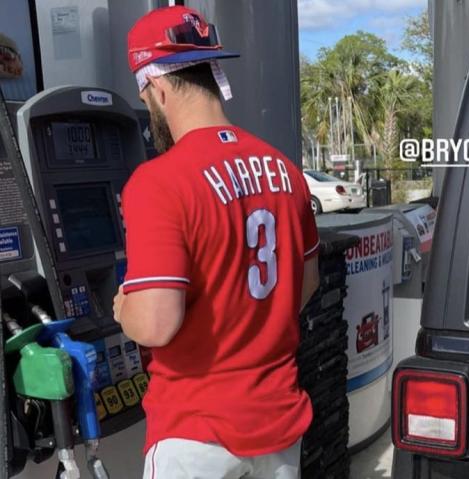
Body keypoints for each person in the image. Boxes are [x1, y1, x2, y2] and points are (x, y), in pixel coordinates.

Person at [112, 6, 320, 478]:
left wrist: (125, 308)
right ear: (212, 74)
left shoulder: (157, 182)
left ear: (156, 89)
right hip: (279, 422)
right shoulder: (283, 169)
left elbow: (157, 323)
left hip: (195, 430)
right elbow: (304, 285)